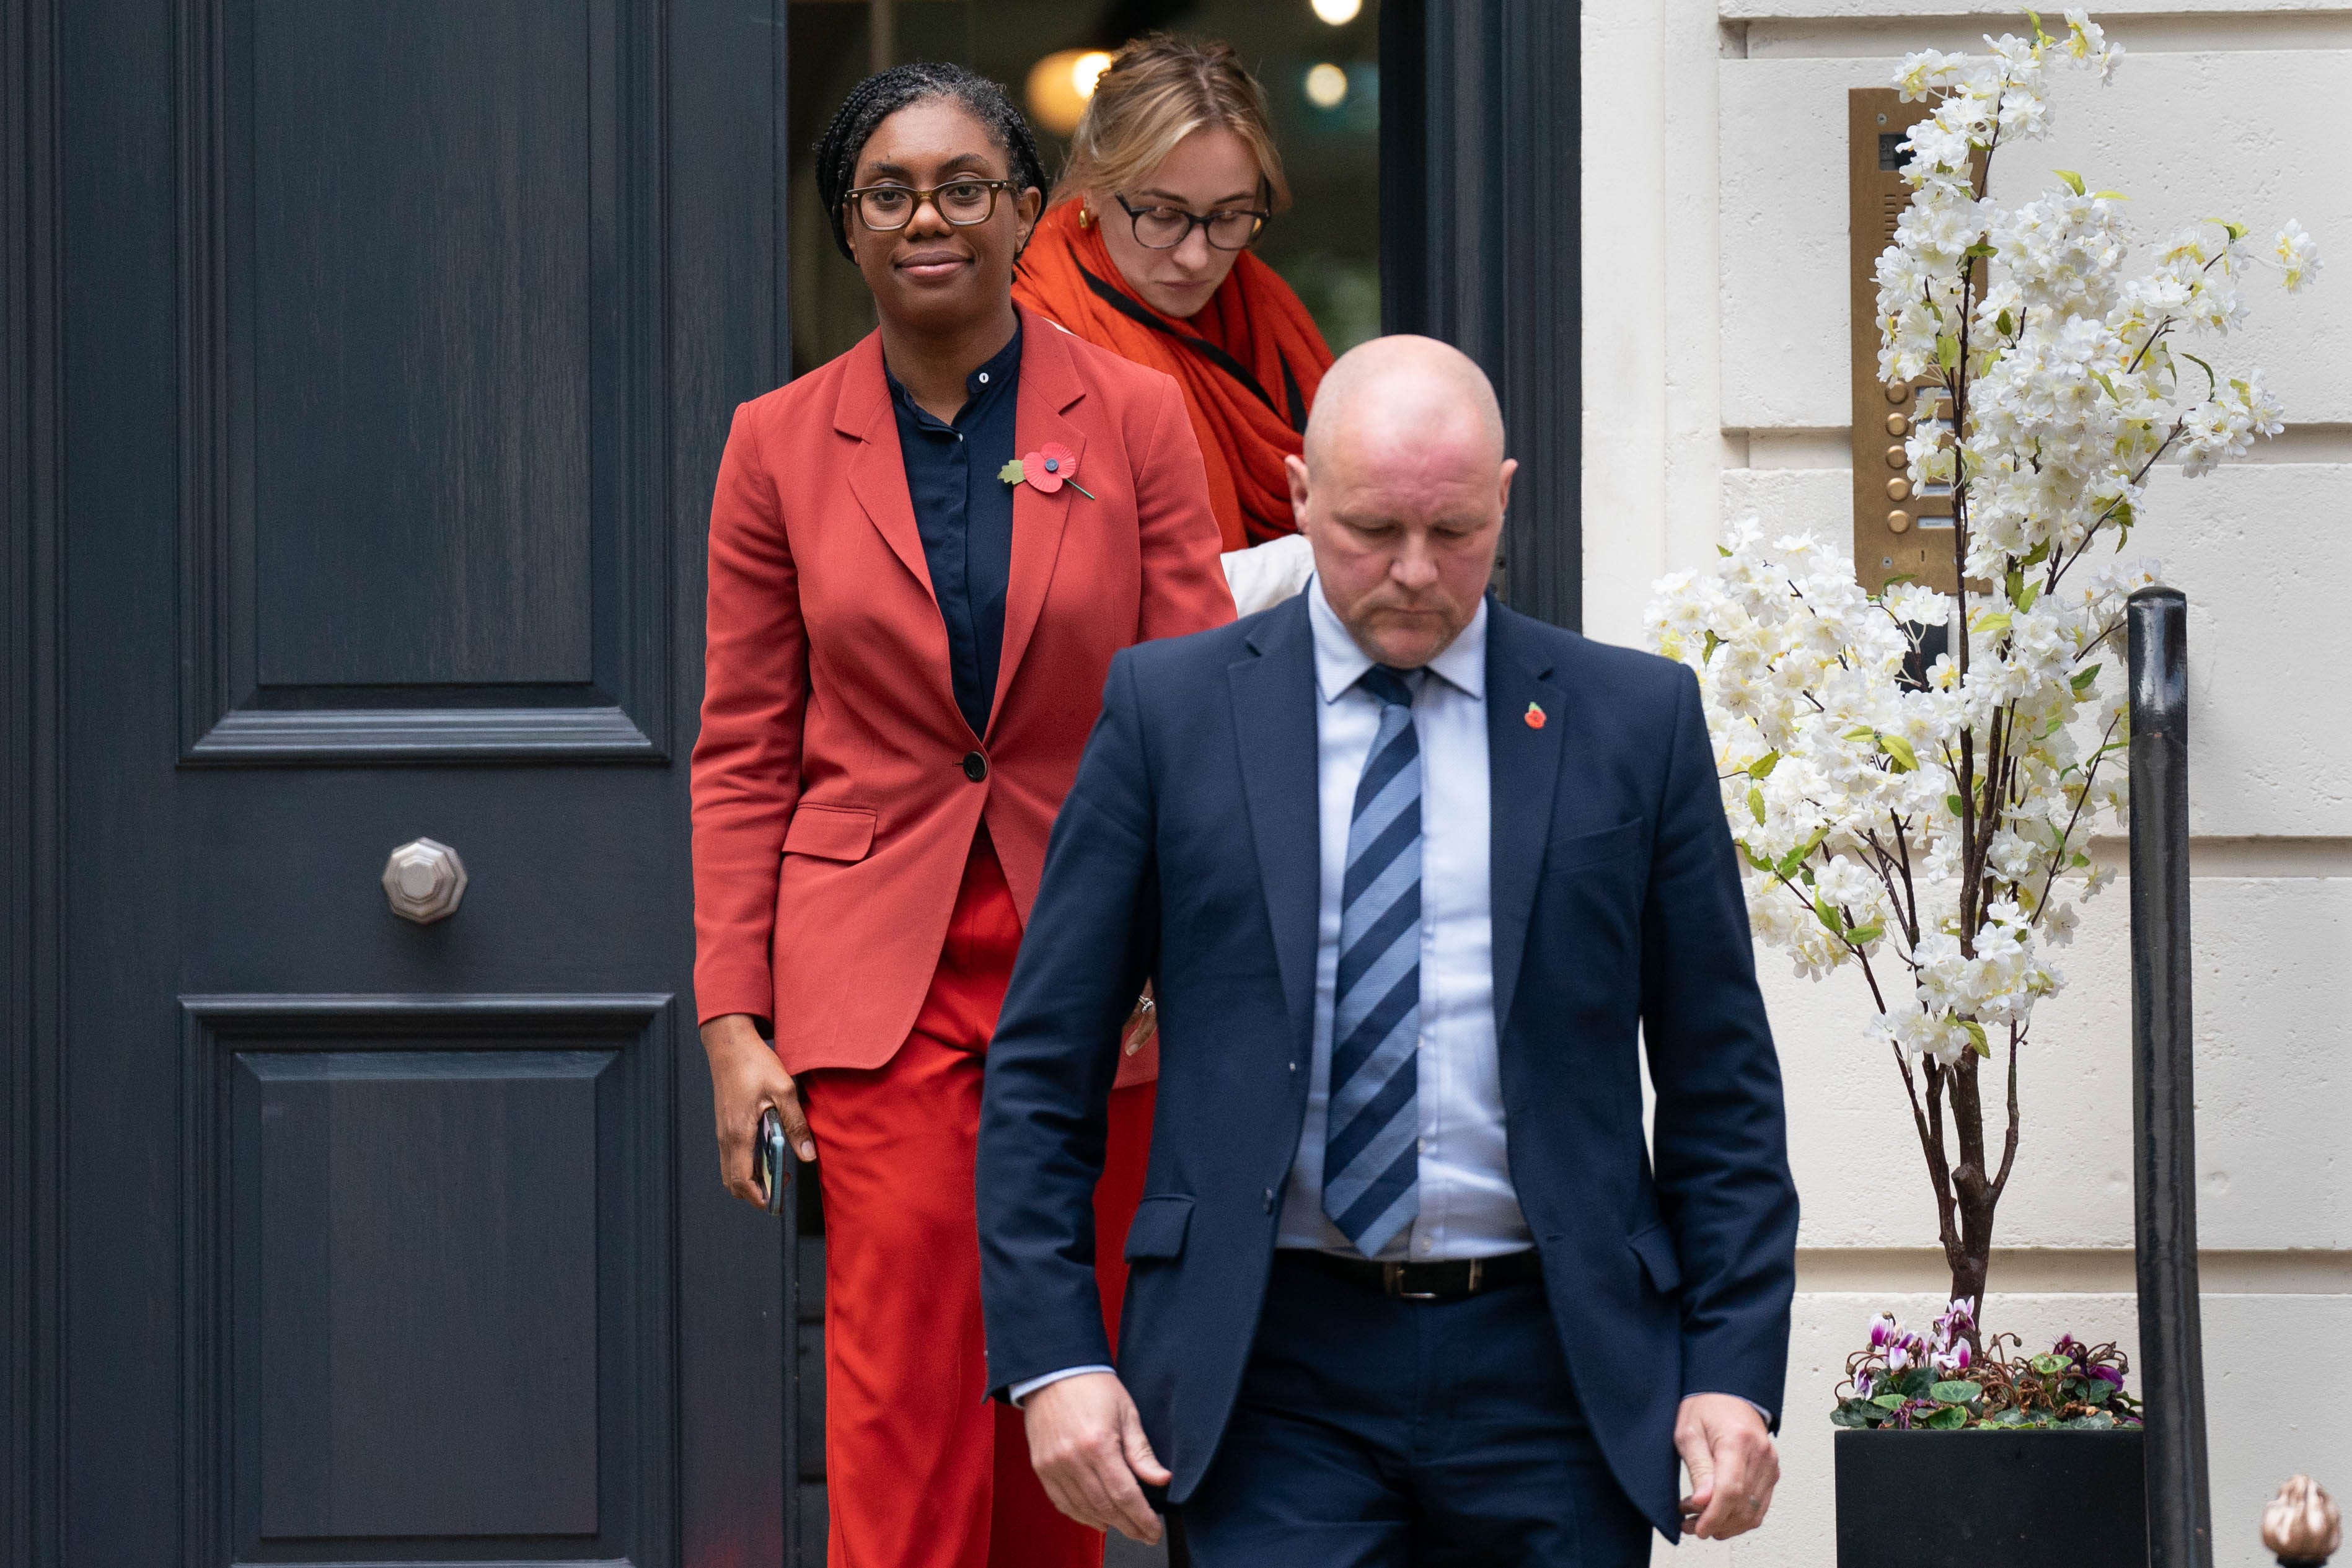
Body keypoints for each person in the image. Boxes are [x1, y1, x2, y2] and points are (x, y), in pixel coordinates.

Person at [975, 336, 1799, 1565]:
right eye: (1369, 531)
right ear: (1299, 493)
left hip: (1554, 1366)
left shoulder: (1633, 722)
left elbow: (1720, 1086)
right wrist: (1055, 1355)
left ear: (1505, 499)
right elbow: (1044, 1068)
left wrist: (1730, 1368)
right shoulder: (1171, 712)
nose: (1413, 573)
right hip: (1270, 1366)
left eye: (1454, 534)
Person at [690, 63, 1233, 1568]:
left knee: (1058, 1392)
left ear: (1025, 212)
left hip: (1100, 967)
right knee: (903, 1391)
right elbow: (743, 747)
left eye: (963, 186)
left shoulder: (1134, 415)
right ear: (849, 232)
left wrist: (1176, 961)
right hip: (886, 974)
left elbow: (1198, 712)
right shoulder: (775, 444)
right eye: (889, 192)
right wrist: (734, 1017)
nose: (928, 216)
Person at [1014, 33, 1329, 614]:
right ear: (1093, 183)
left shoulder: (1267, 308)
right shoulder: (1029, 340)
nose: (1196, 256)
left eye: (1230, 216)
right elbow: (1103, 599)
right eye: (1162, 215)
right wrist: (1324, 561)